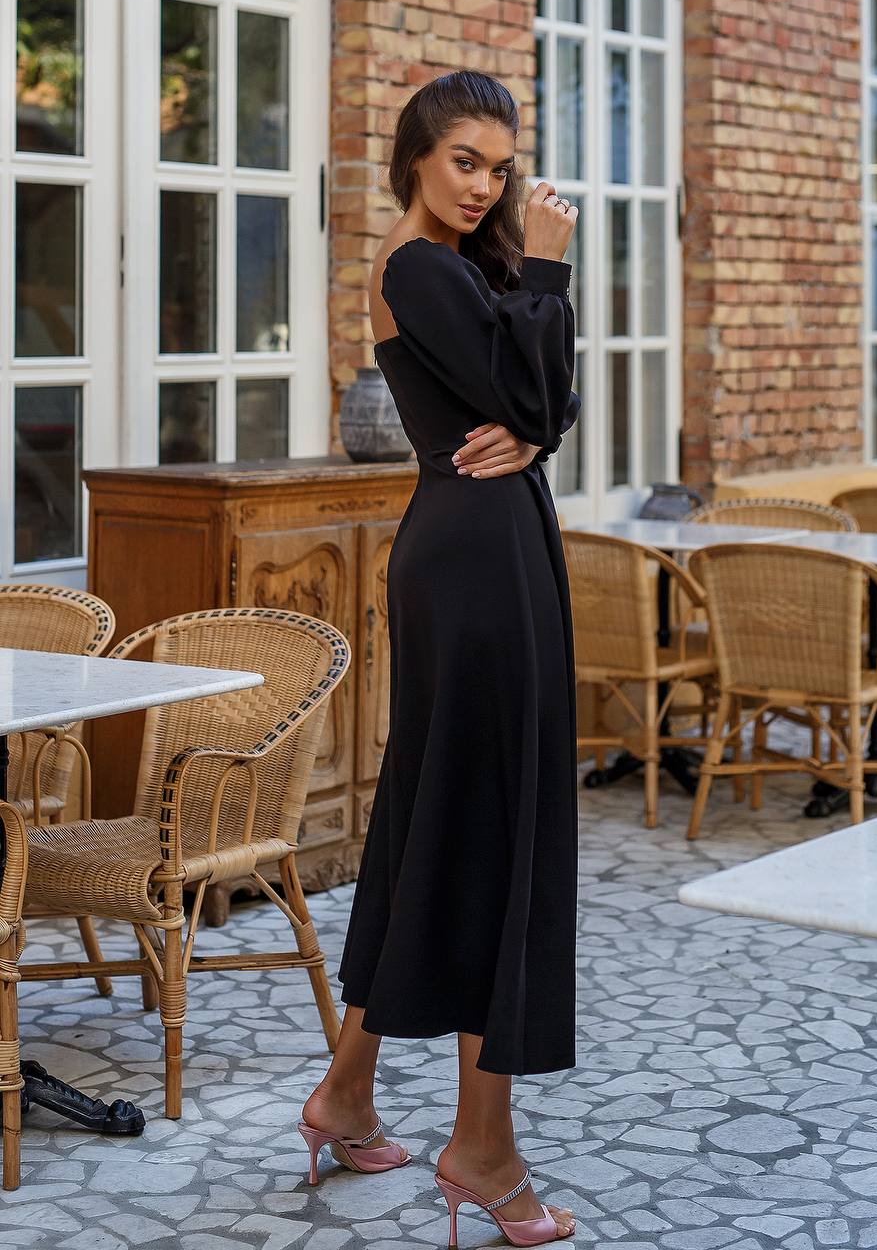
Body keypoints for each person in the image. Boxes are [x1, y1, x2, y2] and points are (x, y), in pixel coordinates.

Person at [299, 69, 581, 1246]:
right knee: (490, 832)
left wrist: (535, 417)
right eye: (464, 159)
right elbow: (532, 387)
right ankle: (483, 1148)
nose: (483, 184)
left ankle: (346, 1092)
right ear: (414, 154)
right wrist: (550, 275)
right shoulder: (418, 265)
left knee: (444, 821)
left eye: (499, 168)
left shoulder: (466, 269)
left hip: (487, 553)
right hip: (473, 567)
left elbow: (546, 402)